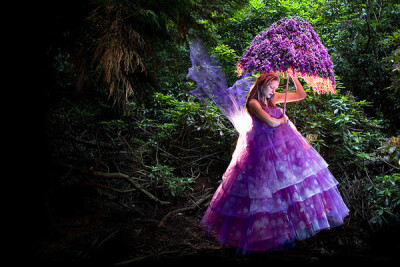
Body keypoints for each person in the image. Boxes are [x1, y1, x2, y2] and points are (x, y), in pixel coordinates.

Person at [198, 70, 349, 254]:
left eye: (275, 88)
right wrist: (282, 119)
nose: (273, 91)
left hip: (279, 148)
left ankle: (286, 233)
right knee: (261, 189)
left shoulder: (274, 98)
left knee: (285, 186)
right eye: (271, 87)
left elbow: (301, 95)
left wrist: (293, 77)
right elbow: (270, 122)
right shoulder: (253, 103)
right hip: (259, 150)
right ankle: (259, 237)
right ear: (262, 84)